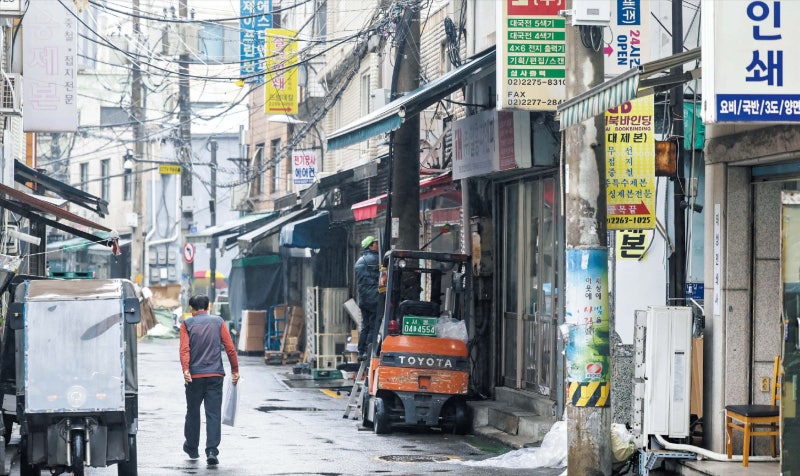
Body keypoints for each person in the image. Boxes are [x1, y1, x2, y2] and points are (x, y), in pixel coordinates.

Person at [180, 294, 240, 466]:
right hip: (215, 375)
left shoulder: (187, 324)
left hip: (194, 377)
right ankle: (212, 450)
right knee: (213, 414)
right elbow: (230, 347)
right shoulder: (218, 322)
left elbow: (184, 349)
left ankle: (192, 447)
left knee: (193, 412)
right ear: (208, 307)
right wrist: (235, 370)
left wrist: (185, 369)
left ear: (192, 309)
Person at [354, 235, 380, 360]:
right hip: (374, 298)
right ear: (370, 246)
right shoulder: (377, 259)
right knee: (373, 325)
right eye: (375, 243)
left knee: (365, 325)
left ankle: (360, 351)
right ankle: (368, 351)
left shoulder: (359, 261)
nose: (378, 245)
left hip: (363, 299)